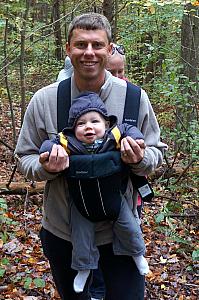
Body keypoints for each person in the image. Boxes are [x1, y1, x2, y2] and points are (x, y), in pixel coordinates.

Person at [15, 12, 167, 300]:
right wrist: (46, 167)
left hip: (119, 234)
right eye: (80, 44)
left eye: (97, 45)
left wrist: (140, 159)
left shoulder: (134, 97)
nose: (89, 53)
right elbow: (24, 157)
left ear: (109, 50)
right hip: (64, 231)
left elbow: (156, 152)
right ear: (68, 49)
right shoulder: (45, 100)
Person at [39, 91, 149, 292]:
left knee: (129, 226)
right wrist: (49, 154)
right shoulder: (68, 142)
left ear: (106, 124)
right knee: (81, 237)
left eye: (94, 121)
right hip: (80, 202)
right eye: (81, 124)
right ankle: (83, 268)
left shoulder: (115, 136)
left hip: (114, 198)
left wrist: (136, 142)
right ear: (73, 129)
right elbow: (48, 145)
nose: (88, 126)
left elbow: (131, 130)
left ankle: (137, 254)